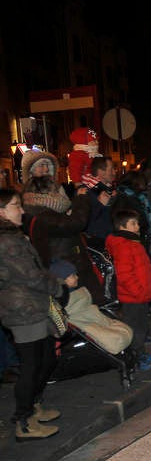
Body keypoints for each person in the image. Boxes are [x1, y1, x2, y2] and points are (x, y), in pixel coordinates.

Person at [0, 189, 63, 441]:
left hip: (32, 306)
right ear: (1, 211)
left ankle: (34, 407)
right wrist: (59, 287)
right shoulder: (6, 242)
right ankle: (23, 421)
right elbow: (31, 275)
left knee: (46, 358)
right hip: (23, 310)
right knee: (31, 365)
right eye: (17, 206)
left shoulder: (12, 236)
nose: (22, 210)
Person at [21, 175, 106, 306]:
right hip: (66, 269)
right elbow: (77, 223)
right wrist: (81, 199)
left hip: (66, 264)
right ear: (46, 192)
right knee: (82, 308)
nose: (59, 194)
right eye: (55, 190)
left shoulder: (40, 212)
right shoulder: (43, 215)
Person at [105, 209, 151, 370]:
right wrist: (140, 291)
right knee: (134, 329)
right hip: (133, 297)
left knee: (141, 327)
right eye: (133, 223)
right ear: (122, 227)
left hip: (140, 295)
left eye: (137, 223)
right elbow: (125, 275)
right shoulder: (124, 245)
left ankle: (140, 353)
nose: (137, 226)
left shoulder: (133, 242)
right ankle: (134, 358)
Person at [49, 259, 133, 355]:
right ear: (61, 280)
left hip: (92, 319)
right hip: (85, 322)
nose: (77, 277)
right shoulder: (64, 302)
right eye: (72, 275)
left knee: (124, 332)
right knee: (119, 338)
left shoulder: (76, 295)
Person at [113, 170, 151, 255]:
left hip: (136, 238)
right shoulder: (131, 198)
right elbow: (141, 219)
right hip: (133, 239)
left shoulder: (133, 197)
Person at [83, 156, 118, 250]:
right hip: (98, 243)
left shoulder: (110, 189)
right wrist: (100, 204)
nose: (114, 173)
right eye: (111, 170)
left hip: (110, 240)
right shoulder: (85, 191)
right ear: (100, 172)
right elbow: (83, 220)